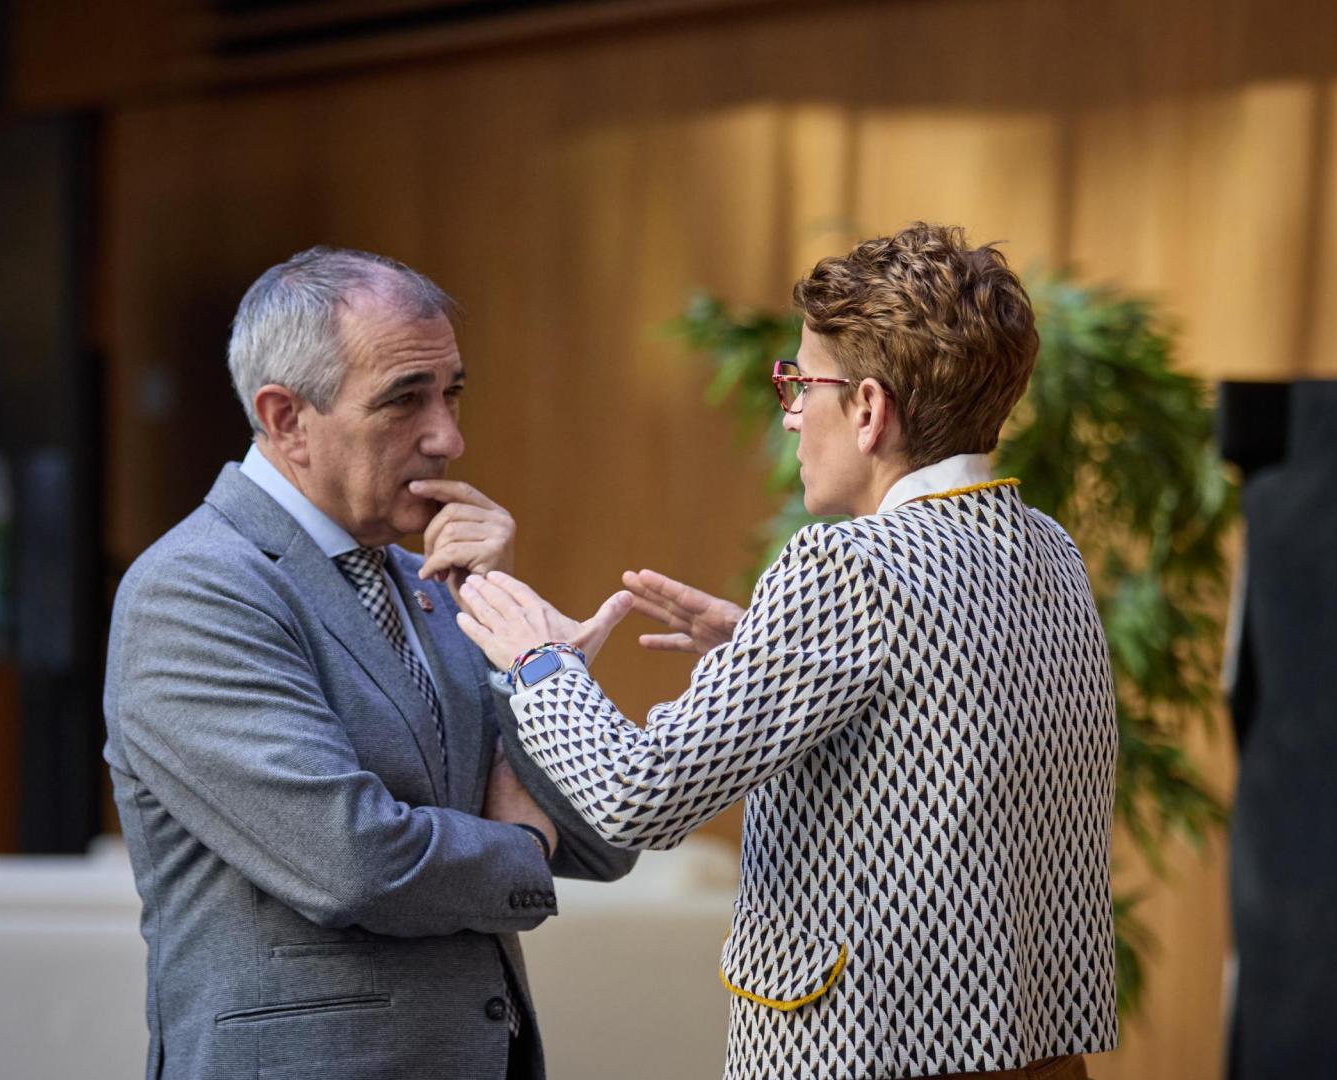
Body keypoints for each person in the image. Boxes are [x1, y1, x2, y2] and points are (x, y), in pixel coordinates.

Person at [454, 222, 1119, 1080]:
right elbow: (954, 712)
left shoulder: (844, 564)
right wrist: (762, 646)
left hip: (871, 1055)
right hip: (1037, 1052)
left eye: (802, 383)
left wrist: (539, 665)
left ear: (870, 410)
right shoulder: (1045, 547)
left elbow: (639, 796)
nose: (793, 412)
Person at [102, 246, 637, 1080]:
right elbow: (355, 862)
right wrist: (522, 841)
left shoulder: (431, 583)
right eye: (403, 401)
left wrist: (526, 654)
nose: (448, 437)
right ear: (284, 419)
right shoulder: (193, 590)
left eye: (452, 392)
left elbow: (607, 837)